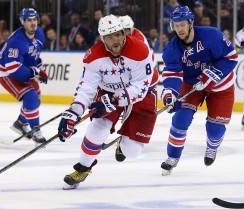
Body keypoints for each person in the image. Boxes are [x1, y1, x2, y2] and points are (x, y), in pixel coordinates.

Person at [58, 14, 157, 189]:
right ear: (102, 39)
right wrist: (73, 112)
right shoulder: (94, 57)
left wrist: (114, 100)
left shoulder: (140, 51)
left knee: (132, 151)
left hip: (142, 96)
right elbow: (86, 88)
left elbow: (141, 87)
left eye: (118, 34)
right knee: (97, 128)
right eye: (110, 37)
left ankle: (122, 143)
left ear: (124, 34)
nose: (116, 40)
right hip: (109, 91)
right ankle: (83, 167)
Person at [160, 6, 238, 176]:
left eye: (182, 24)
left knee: (215, 130)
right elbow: (172, 73)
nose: (179, 29)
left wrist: (211, 75)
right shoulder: (172, 48)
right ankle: (172, 157)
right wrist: (170, 94)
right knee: (180, 119)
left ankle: (212, 147)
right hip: (192, 85)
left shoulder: (212, 35)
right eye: (175, 25)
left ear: (190, 23)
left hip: (221, 85)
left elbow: (231, 58)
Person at [0, 8, 48, 143]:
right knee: (31, 96)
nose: (33, 23)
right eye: (29, 20)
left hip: (21, 68)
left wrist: (37, 67)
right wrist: (35, 72)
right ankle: (36, 131)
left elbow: (32, 55)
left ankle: (20, 123)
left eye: (35, 20)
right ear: (23, 22)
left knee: (36, 99)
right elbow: (14, 70)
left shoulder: (39, 34)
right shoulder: (17, 42)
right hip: (7, 73)